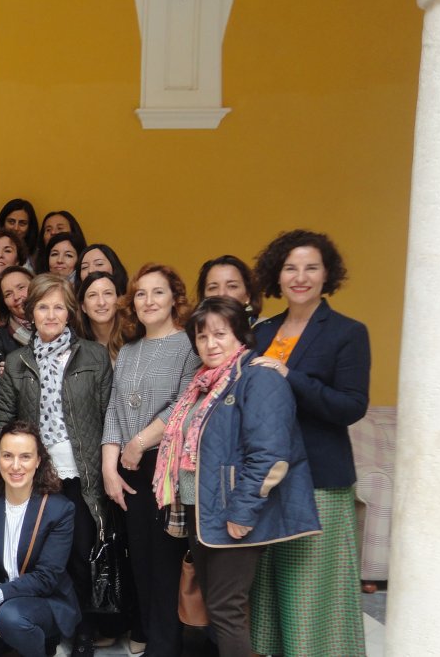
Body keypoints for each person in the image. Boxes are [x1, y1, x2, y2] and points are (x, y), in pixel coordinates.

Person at [152, 296, 321, 656]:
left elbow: (271, 455)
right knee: (216, 607)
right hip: (202, 510)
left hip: (232, 513)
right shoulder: (205, 382)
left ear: (239, 334)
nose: (210, 344)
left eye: (220, 334)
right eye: (202, 337)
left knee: (226, 611)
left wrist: (243, 512)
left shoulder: (258, 378)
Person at [247, 230, 370, 656]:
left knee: (313, 591)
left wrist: (289, 377)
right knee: (269, 590)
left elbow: (352, 406)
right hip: (267, 481)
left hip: (320, 479)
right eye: (290, 268)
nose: (300, 277)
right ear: (276, 276)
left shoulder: (347, 332)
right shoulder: (262, 332)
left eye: (311, 268)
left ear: (326, 275)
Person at [0, 273, 112, 655]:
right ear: (31, 313)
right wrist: (3, 471)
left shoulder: (93, 355)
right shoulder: (16, 362)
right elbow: (4, 420)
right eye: (43, 306)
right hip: (35, 474)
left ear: (70, 312)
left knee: (80, 554)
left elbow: (109, 416)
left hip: (83, 472)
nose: (51, 313)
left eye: (59, 306)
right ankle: (47, 626)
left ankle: (84, 629)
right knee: (41, 557)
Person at [100, 264, 201, 657]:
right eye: (141, 293)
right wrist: (110, 467)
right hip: (128, 471)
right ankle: (151, 638)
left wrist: (138, 443)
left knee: (165, 565)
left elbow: (183, 405)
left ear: (175, 298)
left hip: (167, 468)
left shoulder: (190, 347)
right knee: (139, 560)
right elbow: (113, 409)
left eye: (157, 292)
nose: (148, 301)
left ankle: (165, 647)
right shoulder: (127, 350)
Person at [0, 421, 81, 657]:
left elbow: (46, 578)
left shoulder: (59, 509)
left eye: (25, 457)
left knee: (12, 618)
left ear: (38, 461)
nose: (16, 466)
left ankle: (40, 645)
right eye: (7, 456)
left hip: (41, 602)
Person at [0, 266, 34, 400]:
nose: (17, 296)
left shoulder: (57, 325)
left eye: (21, 287)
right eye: (8, 294)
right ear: (4, 303)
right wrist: (7, 381)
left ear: (36, 285)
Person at [195, 254, 262, 324]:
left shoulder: (268, 331)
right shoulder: (193, 332)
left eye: (232, 286)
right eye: (213, 288)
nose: (221, 293)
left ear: (248, 294)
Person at [78, 271, 128, 364]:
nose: (101, 302)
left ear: (118, 300)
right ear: (83, 306)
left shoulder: (133, 340)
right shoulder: (76, 348)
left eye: (108, 293)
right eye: (92, 295)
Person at [0, 198, 39, 269]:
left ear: (30, 227)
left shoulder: (38, 256)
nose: (16, 228)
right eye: (11, 222)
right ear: (2, 223)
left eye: (22, 223)